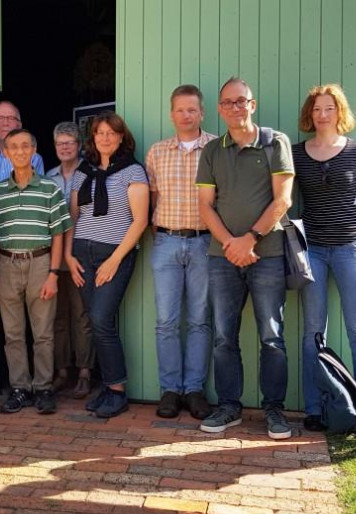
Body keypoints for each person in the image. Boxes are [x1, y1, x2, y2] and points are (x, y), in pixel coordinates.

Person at [196, 77, 295, 439]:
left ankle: (275, 411)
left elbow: (282, 200)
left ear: (253, 105)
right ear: (220, 109)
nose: (235, 107)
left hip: (267, 253)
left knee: (272, 336)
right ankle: (229, 407)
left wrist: (249, 239)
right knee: (224, 336)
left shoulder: (275, 142)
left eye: (242, 101)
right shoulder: (212, 151)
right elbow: (205, 205)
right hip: (222, 257)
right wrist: (230, 244)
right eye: (228, 102)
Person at [294, 84, 356, 430]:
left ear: (339, 112)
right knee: (314, 329)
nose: (323, 114)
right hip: (312, 251)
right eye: (317, 109)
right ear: (309, 115)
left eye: (329, 108)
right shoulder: (297, 154)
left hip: (350, 248)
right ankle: (314, 408)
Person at [65, 112, 149, 418]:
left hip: (115, 254)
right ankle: (108, 385)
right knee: (95, 321)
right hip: (83, 255)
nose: (105, 137)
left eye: (111, 132)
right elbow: (73, 217)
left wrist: (115, 260)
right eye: (99, 132)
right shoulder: (82, 172)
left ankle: (117, 391)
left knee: (101, 319)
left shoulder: (133, 171)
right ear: (93, 138)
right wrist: (68, 256)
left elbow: (140, 221)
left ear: (121, 136)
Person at [0, 128, 72, 415]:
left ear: (35, 151)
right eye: (14, 147)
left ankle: (43, 388)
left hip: (40, 262)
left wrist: (53, 273)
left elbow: (59, 232)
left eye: (26, 146)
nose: (21, 151)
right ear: (7, 153)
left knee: (43, 333)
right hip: (7, 264)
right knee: (13, 334)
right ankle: (20, 388)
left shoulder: (49, 188)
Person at [145, 85, 216, 420]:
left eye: (192, 109)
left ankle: (195, 390)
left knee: (201, 320)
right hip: (167, 243)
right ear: (171, 113)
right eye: (179, 110)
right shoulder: (157, 152)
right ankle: (170, 390)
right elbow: (152, 200)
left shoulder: (216, 148)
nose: (186, 115)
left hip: (205, 243)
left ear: (201, 113)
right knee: (166, 321)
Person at [46, 122, 94, 399]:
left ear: (79, 146)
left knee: (81, 314)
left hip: (81, 254)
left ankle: (85, 370)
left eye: (70, 142)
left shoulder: (90, 174)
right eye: (60, 143)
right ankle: (61, 370)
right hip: (53, 255)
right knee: (57, 316)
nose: (64, 147)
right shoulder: (48, 177)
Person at [0, 101, 44, 192]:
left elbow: (37, 193)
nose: (5, 123)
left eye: (11, 118)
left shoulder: (34, 158)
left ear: (19, 125)